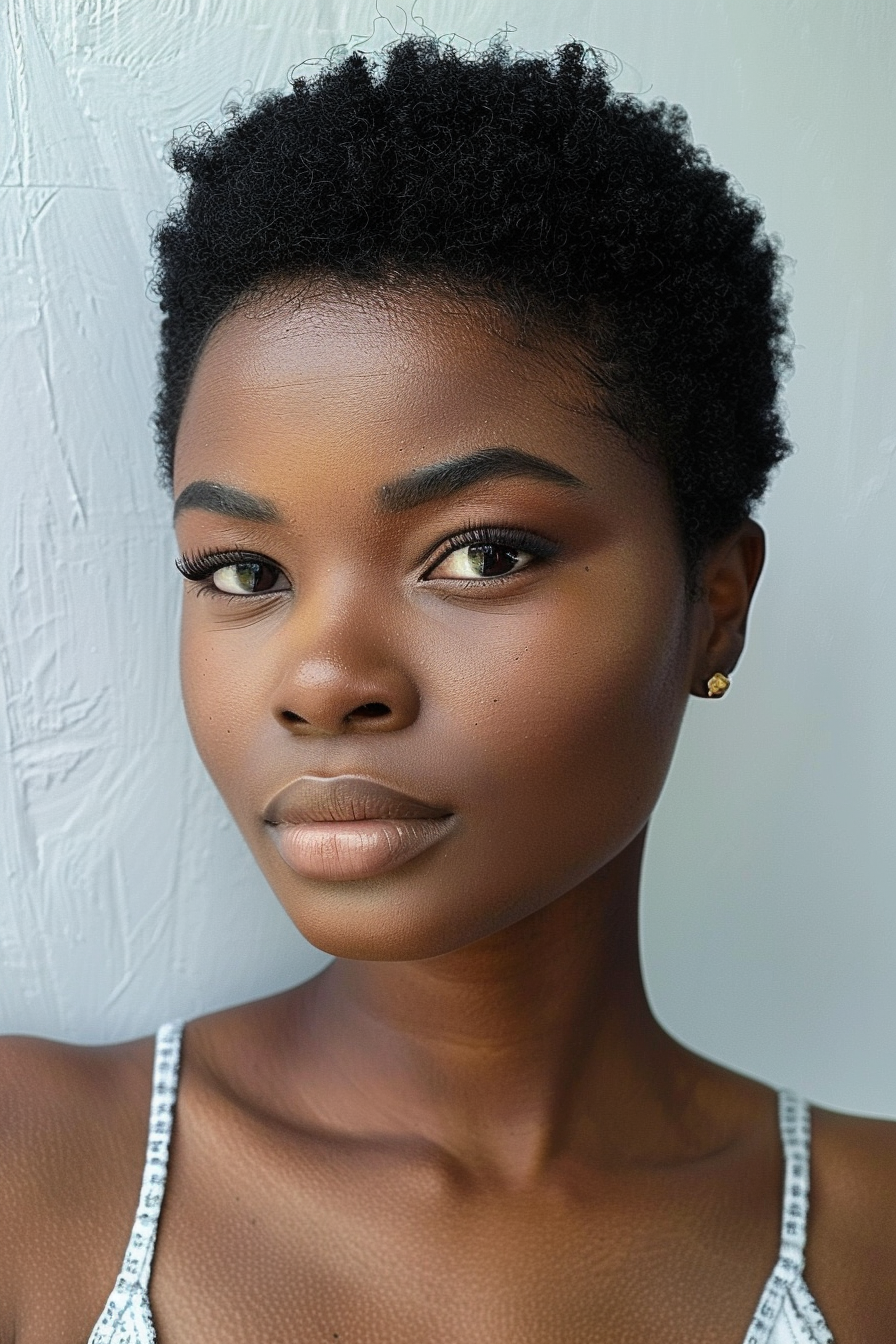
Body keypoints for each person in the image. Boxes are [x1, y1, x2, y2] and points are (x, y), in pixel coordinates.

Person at [0, 36, 893, 1344]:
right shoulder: (33, 1174)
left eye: (481, 555)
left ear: (718, 600)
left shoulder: (872, 1246)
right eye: (243, 569)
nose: (321, 681)